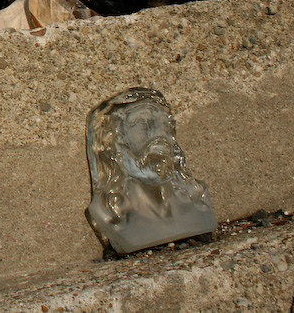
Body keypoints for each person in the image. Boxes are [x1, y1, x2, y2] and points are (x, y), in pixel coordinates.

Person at [85, 87, 217, 253]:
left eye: (163, 123)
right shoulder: (115, 218)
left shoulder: (199, 202)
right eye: (142, 124)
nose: (158, 134)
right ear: (115, 143)